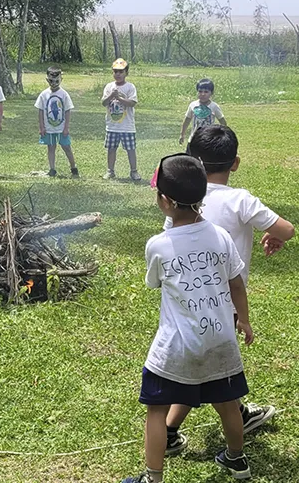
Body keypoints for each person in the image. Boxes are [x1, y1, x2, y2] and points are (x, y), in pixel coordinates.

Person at [162, 125, 295, 454]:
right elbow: (287, 229)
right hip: (225, 304)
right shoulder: (240, 200)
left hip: (186, 300)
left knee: (207, 365)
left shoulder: (182, 202)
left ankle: (184, 427)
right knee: (214, 370)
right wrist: (273, 233)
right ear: (235, 163)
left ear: (193, 161)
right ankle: (180, 430)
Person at [124, 153, 252, 483]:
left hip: (176, 347)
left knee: (157, 410)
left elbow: (154, 282)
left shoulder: (159, 245)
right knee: (228, 403)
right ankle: (236, 459)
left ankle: (153, 477)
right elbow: (237, 283)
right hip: (221, 339)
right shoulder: (221, 236)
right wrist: (245, 321)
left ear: (165, 201)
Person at [35, 67, 78, 178]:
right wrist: (41, 127)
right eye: (51, 81)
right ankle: (52, 169)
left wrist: (66, 127)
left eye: (56, 81)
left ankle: (74, 168)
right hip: (49, 128)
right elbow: (40, 111)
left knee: (66, 147)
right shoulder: (43, 94)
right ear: (47, 80)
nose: (54, 83)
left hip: (61, 128)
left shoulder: (64, 94)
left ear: (61, 80)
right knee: (51, 147)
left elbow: (67, 111)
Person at [101, 58, 140, 181]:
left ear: (126, 73)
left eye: (121, 72)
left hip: (127, 126)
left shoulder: (130, 87)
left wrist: (119, 98)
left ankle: (134, 171)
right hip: (112, 125)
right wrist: (111, 95)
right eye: (115, 71)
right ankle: (110, 171)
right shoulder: (109, 87)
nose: (118, 74)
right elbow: (104, 102)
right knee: (111, 149)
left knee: (130, 149)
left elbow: (132, 103)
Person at [179, 78, 226, 145]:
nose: (203, 94)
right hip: (193, 139)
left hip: (208, 140)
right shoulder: (193, 105)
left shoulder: (214, 106)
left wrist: (222, 136)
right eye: (200, 91)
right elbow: (187, 120)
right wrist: (182, 134)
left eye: (206, 92)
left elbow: (222, 121)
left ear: (211, 93)